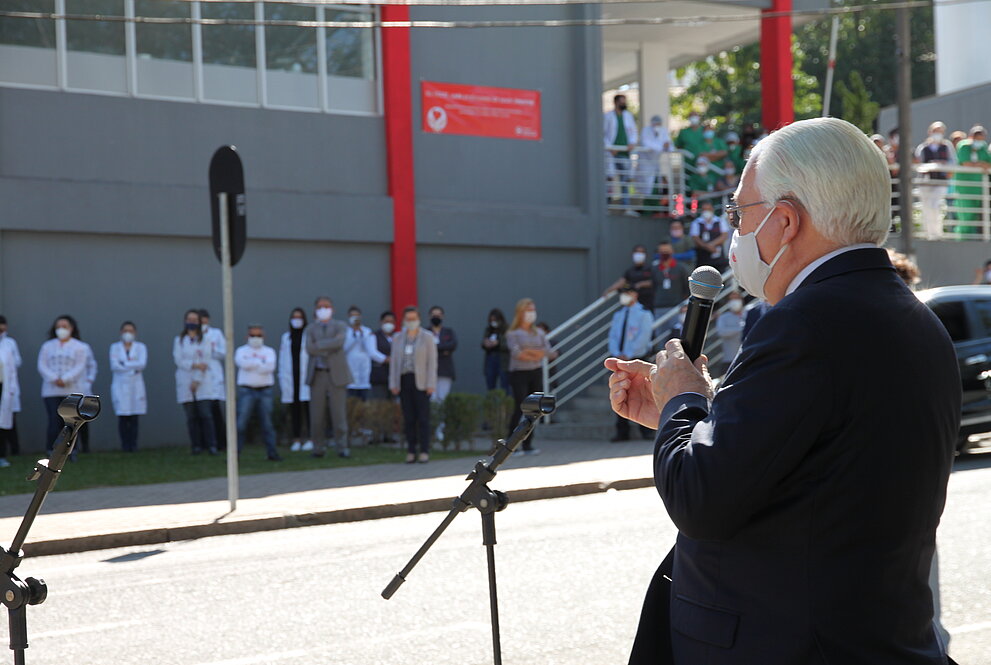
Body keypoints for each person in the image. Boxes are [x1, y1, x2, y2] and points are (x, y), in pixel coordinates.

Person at [607, 117, 959, 665]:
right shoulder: (912, 317)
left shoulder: (805, 322)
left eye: (740, 214)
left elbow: (701, 498)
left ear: (786, 220)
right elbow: (815, 459)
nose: (735, 232)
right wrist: (688, 420)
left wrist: (682, 396)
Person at [305, 296, 353, 459]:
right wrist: (328, 346)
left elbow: (338, 343)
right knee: (317, 416)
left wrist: (320, 345)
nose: (323, 309)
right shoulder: (310, 328)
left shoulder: (340, 325)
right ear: (315, 309)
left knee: (338, 414)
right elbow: (309, 348)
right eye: (320, 306)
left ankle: (342, 447)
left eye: (326, 306)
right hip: (317, 374)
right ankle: (318, 448)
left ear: (332, 308)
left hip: (336, 375)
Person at [506, 298, 554, 455]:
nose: (531, 313)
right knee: (519, 407)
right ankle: (511, 444)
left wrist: (529, 350)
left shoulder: (539, 333)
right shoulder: (512, 333)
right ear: (520, 313)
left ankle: (528, 444)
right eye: (528, 310)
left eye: (533, 310)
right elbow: (518, 354)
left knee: (533, 410)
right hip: (518, 373)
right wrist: (535, 352)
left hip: (535, 372)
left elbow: (547, 352)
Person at [389, 307, 437, 464]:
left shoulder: (427, 337)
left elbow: (432, 362)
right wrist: (393, 383)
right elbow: (394, 363)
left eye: (414, 318)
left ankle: (424, 450)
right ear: (403, 320)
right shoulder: (398, 338)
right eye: (408, 319)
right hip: (404, 380)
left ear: (419, 319)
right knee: (408, 418)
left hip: (421, 382)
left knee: (423, 418)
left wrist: (431, 383)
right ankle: (411, 450)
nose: (411, 322)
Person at [608, 286, 654, 442]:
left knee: (640, 391)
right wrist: (617, 353)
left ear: (635, 294)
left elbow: (644, 336)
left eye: (627, 293)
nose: (624, 297)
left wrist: (629, 354)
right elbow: (613, 335)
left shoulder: (644, 314)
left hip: (637, 358)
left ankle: (646, 431)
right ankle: (622, 431)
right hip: (620, 360)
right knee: (620, 392)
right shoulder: (619, 315)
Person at [37, 315, 88, 454]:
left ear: (71, 328)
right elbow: (42, 365)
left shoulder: (80, 346)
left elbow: (80, 366)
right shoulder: (47, 346)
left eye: (64, 327)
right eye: (58, 327)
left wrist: (65, 379)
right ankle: (51, 449)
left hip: (72, 389)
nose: (61, 329)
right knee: (54, 420)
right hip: (51, 390)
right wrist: (54, 378)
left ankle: (71, 450)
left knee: (71, 421)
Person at [173, 309, 219, 455]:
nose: (191, 323)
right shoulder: (179, 340)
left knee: (206, 415)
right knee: (191, 416)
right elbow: (178, 360)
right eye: (189, 319)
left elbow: (205, 361)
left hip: (202, 382)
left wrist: (197, 380)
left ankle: (211, 445)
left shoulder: (205, 340)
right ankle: (196, 446)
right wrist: (194, 364)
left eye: (194, 320)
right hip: (184, 379)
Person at [235, 324, 280, 461]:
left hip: (265, 390)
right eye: (252, 335)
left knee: (267, 424)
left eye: (258, 335)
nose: (255, 338)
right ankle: (235, 455)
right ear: (247, 337)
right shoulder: (241, 350)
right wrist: (260, 363)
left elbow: (270, 367)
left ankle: (272, 453)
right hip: (246, 390)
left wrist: (252, 363)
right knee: (241, 424)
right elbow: (242, 364)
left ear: (264, 337)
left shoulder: (269, 351)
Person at [914, 121, 957, 239]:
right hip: (925, 182)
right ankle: (928, 233)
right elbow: (919, 163)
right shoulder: (923, 147)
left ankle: (937, 233)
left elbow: (953, 162)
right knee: (927, 207)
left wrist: (943, 165)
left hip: (940, 181)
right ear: (930, 132)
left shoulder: (947, 146)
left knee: (935, 206)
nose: (938, 134)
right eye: (935, 131)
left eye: (940, 131)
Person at [109, 321, 147, 452]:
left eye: (130, 331)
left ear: (135, 333)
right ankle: (125, 445)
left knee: (134, 416)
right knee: (123, 416)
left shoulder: (141, 347)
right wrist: (132, 367)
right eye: (125, 330)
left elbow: (141, 364)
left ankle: (133, 444)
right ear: (121, 332)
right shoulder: (115, 347)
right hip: (120, 385)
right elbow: (114, 365)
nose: (128, 333)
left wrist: (124, 364)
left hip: (135, 386)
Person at [279, 308, 311, 452]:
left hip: (305, 377)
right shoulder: (286, 337)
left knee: (308, 409)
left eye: (299, 317)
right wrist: (281, 377)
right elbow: (282, 360)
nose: (296, 320)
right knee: (295, 410)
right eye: (294, 317)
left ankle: (310, 439)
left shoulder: (308, 335)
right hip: (291, 377)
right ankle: (296, 439)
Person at [604, 93, 639, 216]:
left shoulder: (628, 116)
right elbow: (603, 134)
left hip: (625, 153)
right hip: (612, 153)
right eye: (622, 101)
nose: (624, 103)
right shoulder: (608, 116)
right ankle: (606, 207)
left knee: (625, 180)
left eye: (624, 101)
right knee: (609, 179)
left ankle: (626, 207)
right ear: (616, 102)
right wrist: (610, 147)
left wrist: (632, 143)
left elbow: (633, 131)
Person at [953, 125, 991, 233]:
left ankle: (973, 238)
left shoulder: (983, 147)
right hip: (965, 188)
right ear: (971, 137)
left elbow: (989, 163)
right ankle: (962, 238)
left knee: (975, 215)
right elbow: (966, 163)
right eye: (976, 138)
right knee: (966, 215)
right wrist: (981, 164)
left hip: (978, 187)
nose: (979, 141)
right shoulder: (964, 146)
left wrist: (979, 164)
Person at [199, 309, 227, 451]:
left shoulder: (216, 334)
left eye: (205, 321)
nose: (203, 324)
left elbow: (224, 352)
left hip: (214, 375)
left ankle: (221, 442)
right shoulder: (193, 335)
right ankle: (206, 443)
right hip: (200, 377)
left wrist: (210, 351)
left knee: (216, 411)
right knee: (203, 413)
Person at [344, 306, 386, 401]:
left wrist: (362, 334)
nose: (355, 318)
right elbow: (344, 349)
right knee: (351, 402)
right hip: (350, 370)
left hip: (364, 371)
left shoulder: (367, 331)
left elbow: (371, 351)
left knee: (363, 401)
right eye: (352, 316)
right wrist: (354, 335)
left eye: (357, 316)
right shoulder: (345, 332)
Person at [638, 115, 672, 211]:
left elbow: (668, 144)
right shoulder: (646, 131)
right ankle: (647, 210)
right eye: (656, 123)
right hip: (646, 163)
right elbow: (647, 144)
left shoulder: (663, 130)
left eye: (659, 123)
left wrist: (667, 146)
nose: (657, 125)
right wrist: (662, 146)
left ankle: (656, 209)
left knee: (656, 186)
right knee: (647, 188)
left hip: (655, 164)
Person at [0, 316, 21, 467]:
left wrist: (12, 389)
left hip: (3, 388)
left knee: (3, 423)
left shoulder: (8, 344)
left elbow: (13, 367)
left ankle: (2, 455)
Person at [651, 242, 689, 319]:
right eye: (662, 251)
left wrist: (685, 305)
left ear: (672, 251)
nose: (664, 253)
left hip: (677, 307)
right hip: (659, 307)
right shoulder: (654, 269)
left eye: (667, 251)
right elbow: (653, 287)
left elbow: (687, 287)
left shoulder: (681, 268)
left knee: (677, 330)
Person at [690, 200, 730, 271]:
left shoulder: (720, 221)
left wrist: (712, 244)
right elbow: (695, 238)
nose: (706, 211)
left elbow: (724, 235)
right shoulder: (696, 223)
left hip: (718, 258)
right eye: (704, 210)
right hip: (702, 259)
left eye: (708, 209)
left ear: (712, 209)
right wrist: (707, 247)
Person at [428, 306, 457, 403]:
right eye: (434, 315)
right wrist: (443, 350)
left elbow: (452, 345)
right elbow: (424, 348)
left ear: (442, 316)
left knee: (442, 398)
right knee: (432, 398)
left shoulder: (449, 332)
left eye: (438, 315)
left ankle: (441, 419)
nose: (436, 317)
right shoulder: (425, 332)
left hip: (445, 369)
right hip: (429, 370)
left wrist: (434, 347)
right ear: (429, 316)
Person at [714, 291, 745, 374]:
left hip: (747, 358)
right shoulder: (724, 317)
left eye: (737, 298)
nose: (734, 301)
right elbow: (722, 332)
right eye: (732, 299)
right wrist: (741, 328)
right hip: (729, 360)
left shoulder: (749, 313)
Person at [481, 308, 510, 392]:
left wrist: (498, 343)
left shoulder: (506, 329)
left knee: (504, 384)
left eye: (495, 320)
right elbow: (483, 343)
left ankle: (505, 404)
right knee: (490, 383)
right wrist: (486, 343)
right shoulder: (489, 329)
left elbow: (509, 345)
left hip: (502, 359)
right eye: (491, 320)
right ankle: (492, 403)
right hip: (490, 358)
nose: (493, 322)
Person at [370, 311, 396, 401]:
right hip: (379, 375)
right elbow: (372, 352)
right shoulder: (374, 336)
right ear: (381, 322)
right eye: (386, 321)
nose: (389, 324)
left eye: (391, 322)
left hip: (394, 376)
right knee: (380, 401)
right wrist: (386, 359)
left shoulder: (397, 337)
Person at [77, 339, 97, 453]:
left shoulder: (84, 347)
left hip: (82, 387)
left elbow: (92, 365)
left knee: (83, 418)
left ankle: (85, 446)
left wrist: (89, 380)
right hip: (64, 388)